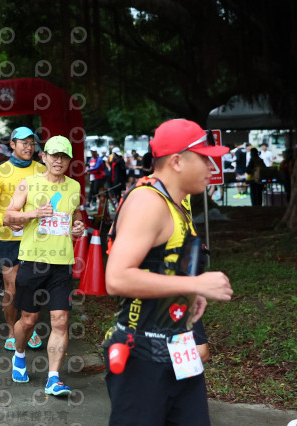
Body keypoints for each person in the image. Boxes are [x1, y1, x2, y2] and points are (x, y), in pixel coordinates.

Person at [103, 119, 233, 425]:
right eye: (204, 158)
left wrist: (189, 292)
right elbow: (117, 278)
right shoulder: (148, 203)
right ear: (176, 161)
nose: (212, 166)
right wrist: (195, 283)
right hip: (142, 353)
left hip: (178, 346)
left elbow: (162, 265)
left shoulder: (176, 203)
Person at [4, 136, 84, 396]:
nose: (58, 160)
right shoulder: (29, 183)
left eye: (64, 156)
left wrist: (78, 226)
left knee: (60, 321)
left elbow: (75, 215)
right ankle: (19, 353)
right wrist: (34, 214)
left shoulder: (74, 186)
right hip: (33, 261)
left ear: (69, 160)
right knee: (28, 320)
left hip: (61, 263)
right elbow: (8, 216)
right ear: (44, 157)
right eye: (54, 155)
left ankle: (53, 378)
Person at [0, 126, 46, 351]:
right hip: (9, 237)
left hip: (36, 237)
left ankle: (28, 326)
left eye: (32, 143)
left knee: (32, 286)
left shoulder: (42, 169)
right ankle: (12, 329)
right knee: (11, 288)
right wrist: (4, 220)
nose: (29, 147)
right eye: (24, 143)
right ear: (12, 145)